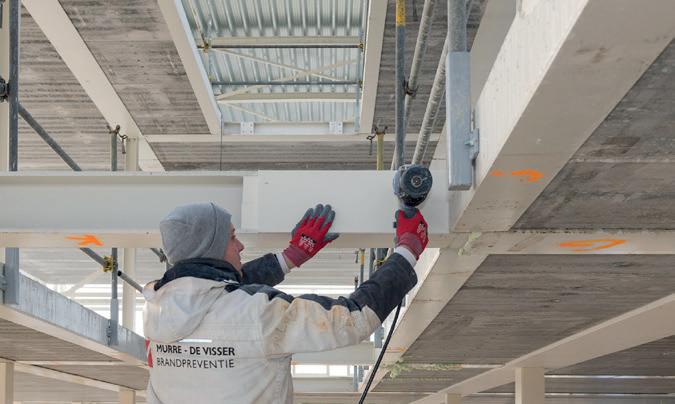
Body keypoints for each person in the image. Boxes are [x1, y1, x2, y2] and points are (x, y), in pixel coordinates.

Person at [143, 202, 428, 404]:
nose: (240, 246)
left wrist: (291, 257)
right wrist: (407, 251)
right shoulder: (258, 315)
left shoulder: (156, 307)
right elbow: (352, 318)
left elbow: (213, 293)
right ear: (211, 249)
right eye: (232, 238)